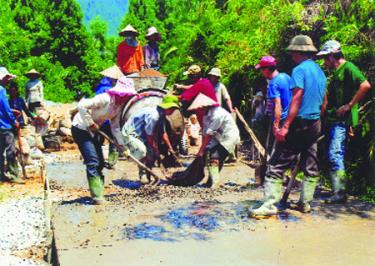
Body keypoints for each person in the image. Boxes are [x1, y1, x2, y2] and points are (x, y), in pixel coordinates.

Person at [249, 35, 327, 217]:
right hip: (315, 122)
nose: (291, 54)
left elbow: (297, 98)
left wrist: (286, 126)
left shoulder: (299, 70)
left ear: (298, 52)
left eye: (293, 51)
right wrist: (316, 121)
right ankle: (305, 203)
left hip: (299, 122)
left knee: (277, 163)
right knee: (311, 163)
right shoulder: (320, 71)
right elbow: (324, 101)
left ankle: (269, 205)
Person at [317, 40, 372, 203]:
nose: (325, 62)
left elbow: (365, 85)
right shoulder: (336, 72)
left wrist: (349, 105)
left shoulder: (348, 68)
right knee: (334, 153)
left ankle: (340, 192)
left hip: (341, 120)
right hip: (334, 119)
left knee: (335, 153)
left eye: (326, 58)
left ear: (333, 56)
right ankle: (338, 189)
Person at [71, 76, 137, 204]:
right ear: (121, 92)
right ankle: (97, 197)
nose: (127, 97)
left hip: (95, 131)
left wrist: (122, 146)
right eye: (126, 94)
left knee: (100, 163)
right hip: (81, 128)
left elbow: (115, 127)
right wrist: (90, 123)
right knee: (93, 162)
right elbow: (81, 105)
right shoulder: (105, 98)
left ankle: (98, 192)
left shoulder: (119, 107)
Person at [121, 95, 180, 183]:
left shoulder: (162, 116)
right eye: (171, 108)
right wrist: (155, 148)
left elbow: (163, 133)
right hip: (131, 133)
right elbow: (150, 134)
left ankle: (148, 175)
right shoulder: (154, 115)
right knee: (142, 151)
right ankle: (143, 175)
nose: (173, 111)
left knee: (151, 155)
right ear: (166, 107)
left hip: (142, 135)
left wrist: (170, 148)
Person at [188, 93, 240, 188]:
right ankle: (210, 180)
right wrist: (203, 149)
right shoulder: (205, 116)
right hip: (218, 136)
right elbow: (204, 133)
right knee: (210, 153)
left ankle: (214, 182)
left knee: (215, 157)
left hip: (229, 136)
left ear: (204, 107)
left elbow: (209, 133)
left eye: (198, 109)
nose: (197, 111)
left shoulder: (218, 114)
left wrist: (200, 151)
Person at [95, 65, 124, 169]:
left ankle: (99, 161)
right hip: (107, 120)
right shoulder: (110, 89)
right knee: (113, 141)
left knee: (98, 141)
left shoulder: (100, 87)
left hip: (98, 119)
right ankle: (111, 162)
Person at [0, 67, 25, 184]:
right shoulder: (1, 90)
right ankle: (14, 175)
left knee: (0, 151)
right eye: (6, 78)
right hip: (5, 125)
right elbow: (4, 108)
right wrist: (14, 120)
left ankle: (1, 175)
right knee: (11, 150)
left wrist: (10, 110)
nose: (7, 81)